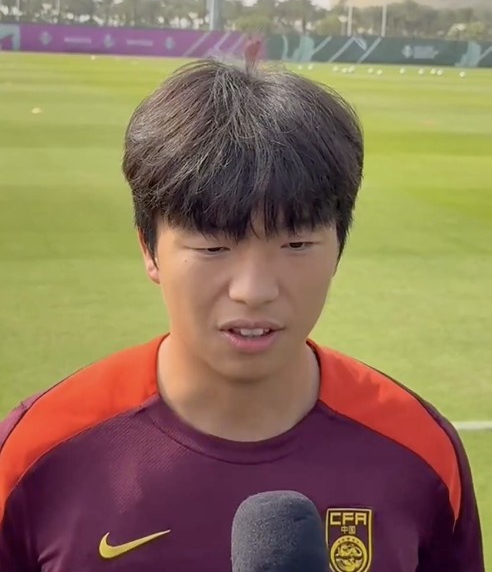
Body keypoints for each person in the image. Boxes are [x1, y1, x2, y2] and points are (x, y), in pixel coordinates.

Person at [0, 59, 484, 572]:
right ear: (149, 249)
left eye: (297, 244)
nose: (254, 291)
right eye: (213, 247)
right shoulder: (36, 454)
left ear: (339, 247)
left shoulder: (419, 451)